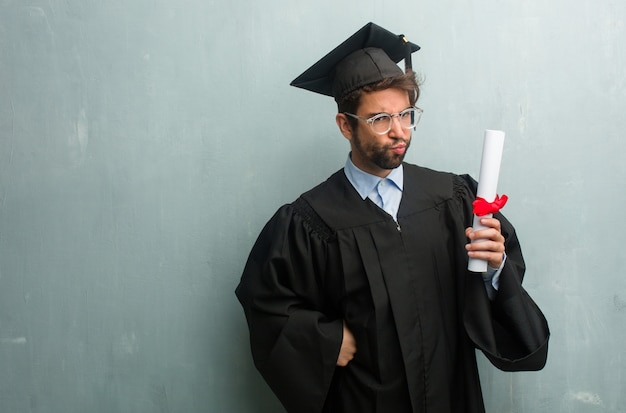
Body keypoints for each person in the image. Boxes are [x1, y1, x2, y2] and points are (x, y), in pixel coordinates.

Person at [235, 22, 549, 413]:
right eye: (380, 119)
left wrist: (495, 270)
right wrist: (324, 339)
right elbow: (266, 304)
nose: (399, 132)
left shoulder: (453, 198)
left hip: (451, 397)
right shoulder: (309, 222)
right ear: (345, 125)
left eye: (406, 114)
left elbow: (498, 292)